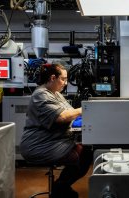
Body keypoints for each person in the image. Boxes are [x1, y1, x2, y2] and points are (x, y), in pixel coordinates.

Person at [20, 63, 93, 198]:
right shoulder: (41, 95)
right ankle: (60, 188)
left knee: (86, 151)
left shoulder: (55, 94)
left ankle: (61, 186)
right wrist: (87, 108)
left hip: (54, 140)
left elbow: (70, 112)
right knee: (84, 155)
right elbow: (62, 116)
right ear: (53, 78)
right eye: (63, 79)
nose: (65, 83)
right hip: (39, 144)